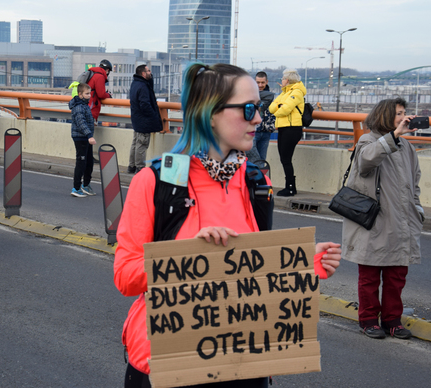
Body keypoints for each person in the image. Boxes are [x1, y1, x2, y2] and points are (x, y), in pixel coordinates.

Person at [114, 63, 342, 388]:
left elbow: (248, 270)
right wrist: (189, 257)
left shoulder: (255, 181)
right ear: (210, 113)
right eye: (249, 109)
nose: (259, 119)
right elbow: (125, 276)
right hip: (168, 362)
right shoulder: (157, 180)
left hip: (243, 363)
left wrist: (299, 261)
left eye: (260, 108)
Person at [342, 98, 423, 340]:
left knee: (396, 276)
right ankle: (367, 319)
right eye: (398, 113)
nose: (403, 117)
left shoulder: (407, 147)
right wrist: (394, 137)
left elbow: (414, 181)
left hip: (402, 222)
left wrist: (417, 209)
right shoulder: (368, 140)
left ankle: (392, 320)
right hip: (375, 222)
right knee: (369, 277)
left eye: (404, 113)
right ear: (386, 115)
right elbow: (366, 161)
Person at [269, 69, 306, 197]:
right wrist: (279, 106)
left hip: (292, 129)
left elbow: (284, 109)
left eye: (283, 79)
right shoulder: (285, 93)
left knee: (286, 159)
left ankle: (290, 187)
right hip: (284, 128)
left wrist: (278, 107)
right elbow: (271, 107)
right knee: (284, 159)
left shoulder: (296, 92)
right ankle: (290, 187)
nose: (281, 81)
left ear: (288, 80)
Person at [127, 65, 163, 174]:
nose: (150, 73)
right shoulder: (143, 87)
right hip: (144, 120)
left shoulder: (136, 83)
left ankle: (131, 166)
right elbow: (145, 105)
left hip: (137, 118)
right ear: (143, 73)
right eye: (148, 71)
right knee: (142, 145)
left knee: (135, 143)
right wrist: (153, 116)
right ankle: (140, 168)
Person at [68, 83, 96, 197]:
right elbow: (81, 123)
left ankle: (86, 185)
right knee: (81, 162)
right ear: (80, 95)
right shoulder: (79, 107)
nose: (89, 95)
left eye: (90, 93)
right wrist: (89, 135)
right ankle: (76, 188)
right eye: (87, 93)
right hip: (81, 137)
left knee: (89, 161)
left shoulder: (84, 105)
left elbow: (85, 120)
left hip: (86, 137)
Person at [250, 71, 276, 161]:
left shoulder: (271, 97)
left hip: (266, 132)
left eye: (262, 82)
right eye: (258, 82)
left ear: (267, 82)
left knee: (262, 159)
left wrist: (271, 127)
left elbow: (274, 112)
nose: (260, 85)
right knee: (253, 159)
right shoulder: (250, 95)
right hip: (253, 131)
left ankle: (261, 175)